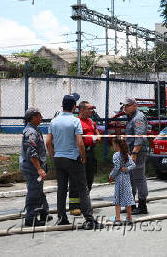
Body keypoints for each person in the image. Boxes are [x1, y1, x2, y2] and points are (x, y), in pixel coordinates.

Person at [46, 93, 103, 230]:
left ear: (62, 106)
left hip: (59, 159)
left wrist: (54, 155)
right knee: (83, 188)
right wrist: (83, 156)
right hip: (73, 158)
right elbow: (80, 142)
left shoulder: (53, 121)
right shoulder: (75, 121)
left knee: (62, 189)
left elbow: (48, 142)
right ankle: (89, 219)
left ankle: (62, 218)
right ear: (74, 107)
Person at [19, 108, 52, 227]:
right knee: (34, 192)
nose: (41, 117)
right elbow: (32, 153)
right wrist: (39, 169)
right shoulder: (31, 133)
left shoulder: (34, 130)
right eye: (39, 116)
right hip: (32, 168)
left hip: (35, 167)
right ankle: (30, 218)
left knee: (38, 190)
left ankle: (43, 212)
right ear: (33, 117)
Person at [68, 101, 100, 215]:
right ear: (81, 110)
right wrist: (91, 139)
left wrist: (97, 136)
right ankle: (74, 206)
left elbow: (96, 131)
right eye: (89, 109)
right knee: (76, 180)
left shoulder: (91, 121)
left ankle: (84, 203)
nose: (92, 111)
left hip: (91, 153)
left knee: (89, 178)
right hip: (79, 152)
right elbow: (77, 139)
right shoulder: (76, 122)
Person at [123, 97, 149, 214]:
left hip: (137, 152)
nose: (124, 108)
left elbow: (140, 137)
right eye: (124, 106)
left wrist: (134, 153)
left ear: (134, 106)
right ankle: (131, 205)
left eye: (127, 106)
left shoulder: (138, 118)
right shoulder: (131, 117)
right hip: (131, 151)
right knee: (130, 178)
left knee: (138, 178)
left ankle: (142, 205)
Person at [109, 137, 136, 224]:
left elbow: (117, 167)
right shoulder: (127, 155)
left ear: (117, 145)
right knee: (128, 197)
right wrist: (127, 169)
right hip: (127, 179)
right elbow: (133, 165)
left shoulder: (116, 155)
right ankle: (129, 218)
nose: (113, 146)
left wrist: (111, 175)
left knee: (118, 198)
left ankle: (117, 219)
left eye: (113, 144)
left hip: (119, 179)